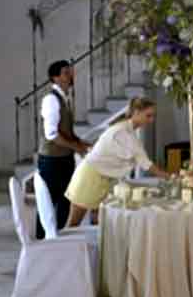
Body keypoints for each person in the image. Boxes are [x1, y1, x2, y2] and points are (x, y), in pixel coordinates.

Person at [65, 97, 169, 227]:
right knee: (73, 224)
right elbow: (148, 165)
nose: (151, 120)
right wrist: (174, 177)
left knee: (99, 223)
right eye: (148, 116)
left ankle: (100, 247)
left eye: (153, 116)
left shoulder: (127, 130)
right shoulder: (124, 133)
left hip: (102, 179)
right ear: (136, 112)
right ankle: (61, 247)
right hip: (90, 178)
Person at [36, 60, 90, 239]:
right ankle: (43, 242)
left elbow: (66, 131)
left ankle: (59, 239)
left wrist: (82, 144)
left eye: (71, 72)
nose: (71, 76)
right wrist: (77, 147)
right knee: (48, 203)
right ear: (55, 77)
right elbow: (52, 135)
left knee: (66, 200)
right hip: (52, 160)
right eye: (66, 73)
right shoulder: (51, 99)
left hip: (64, 159)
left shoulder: (65, 98)